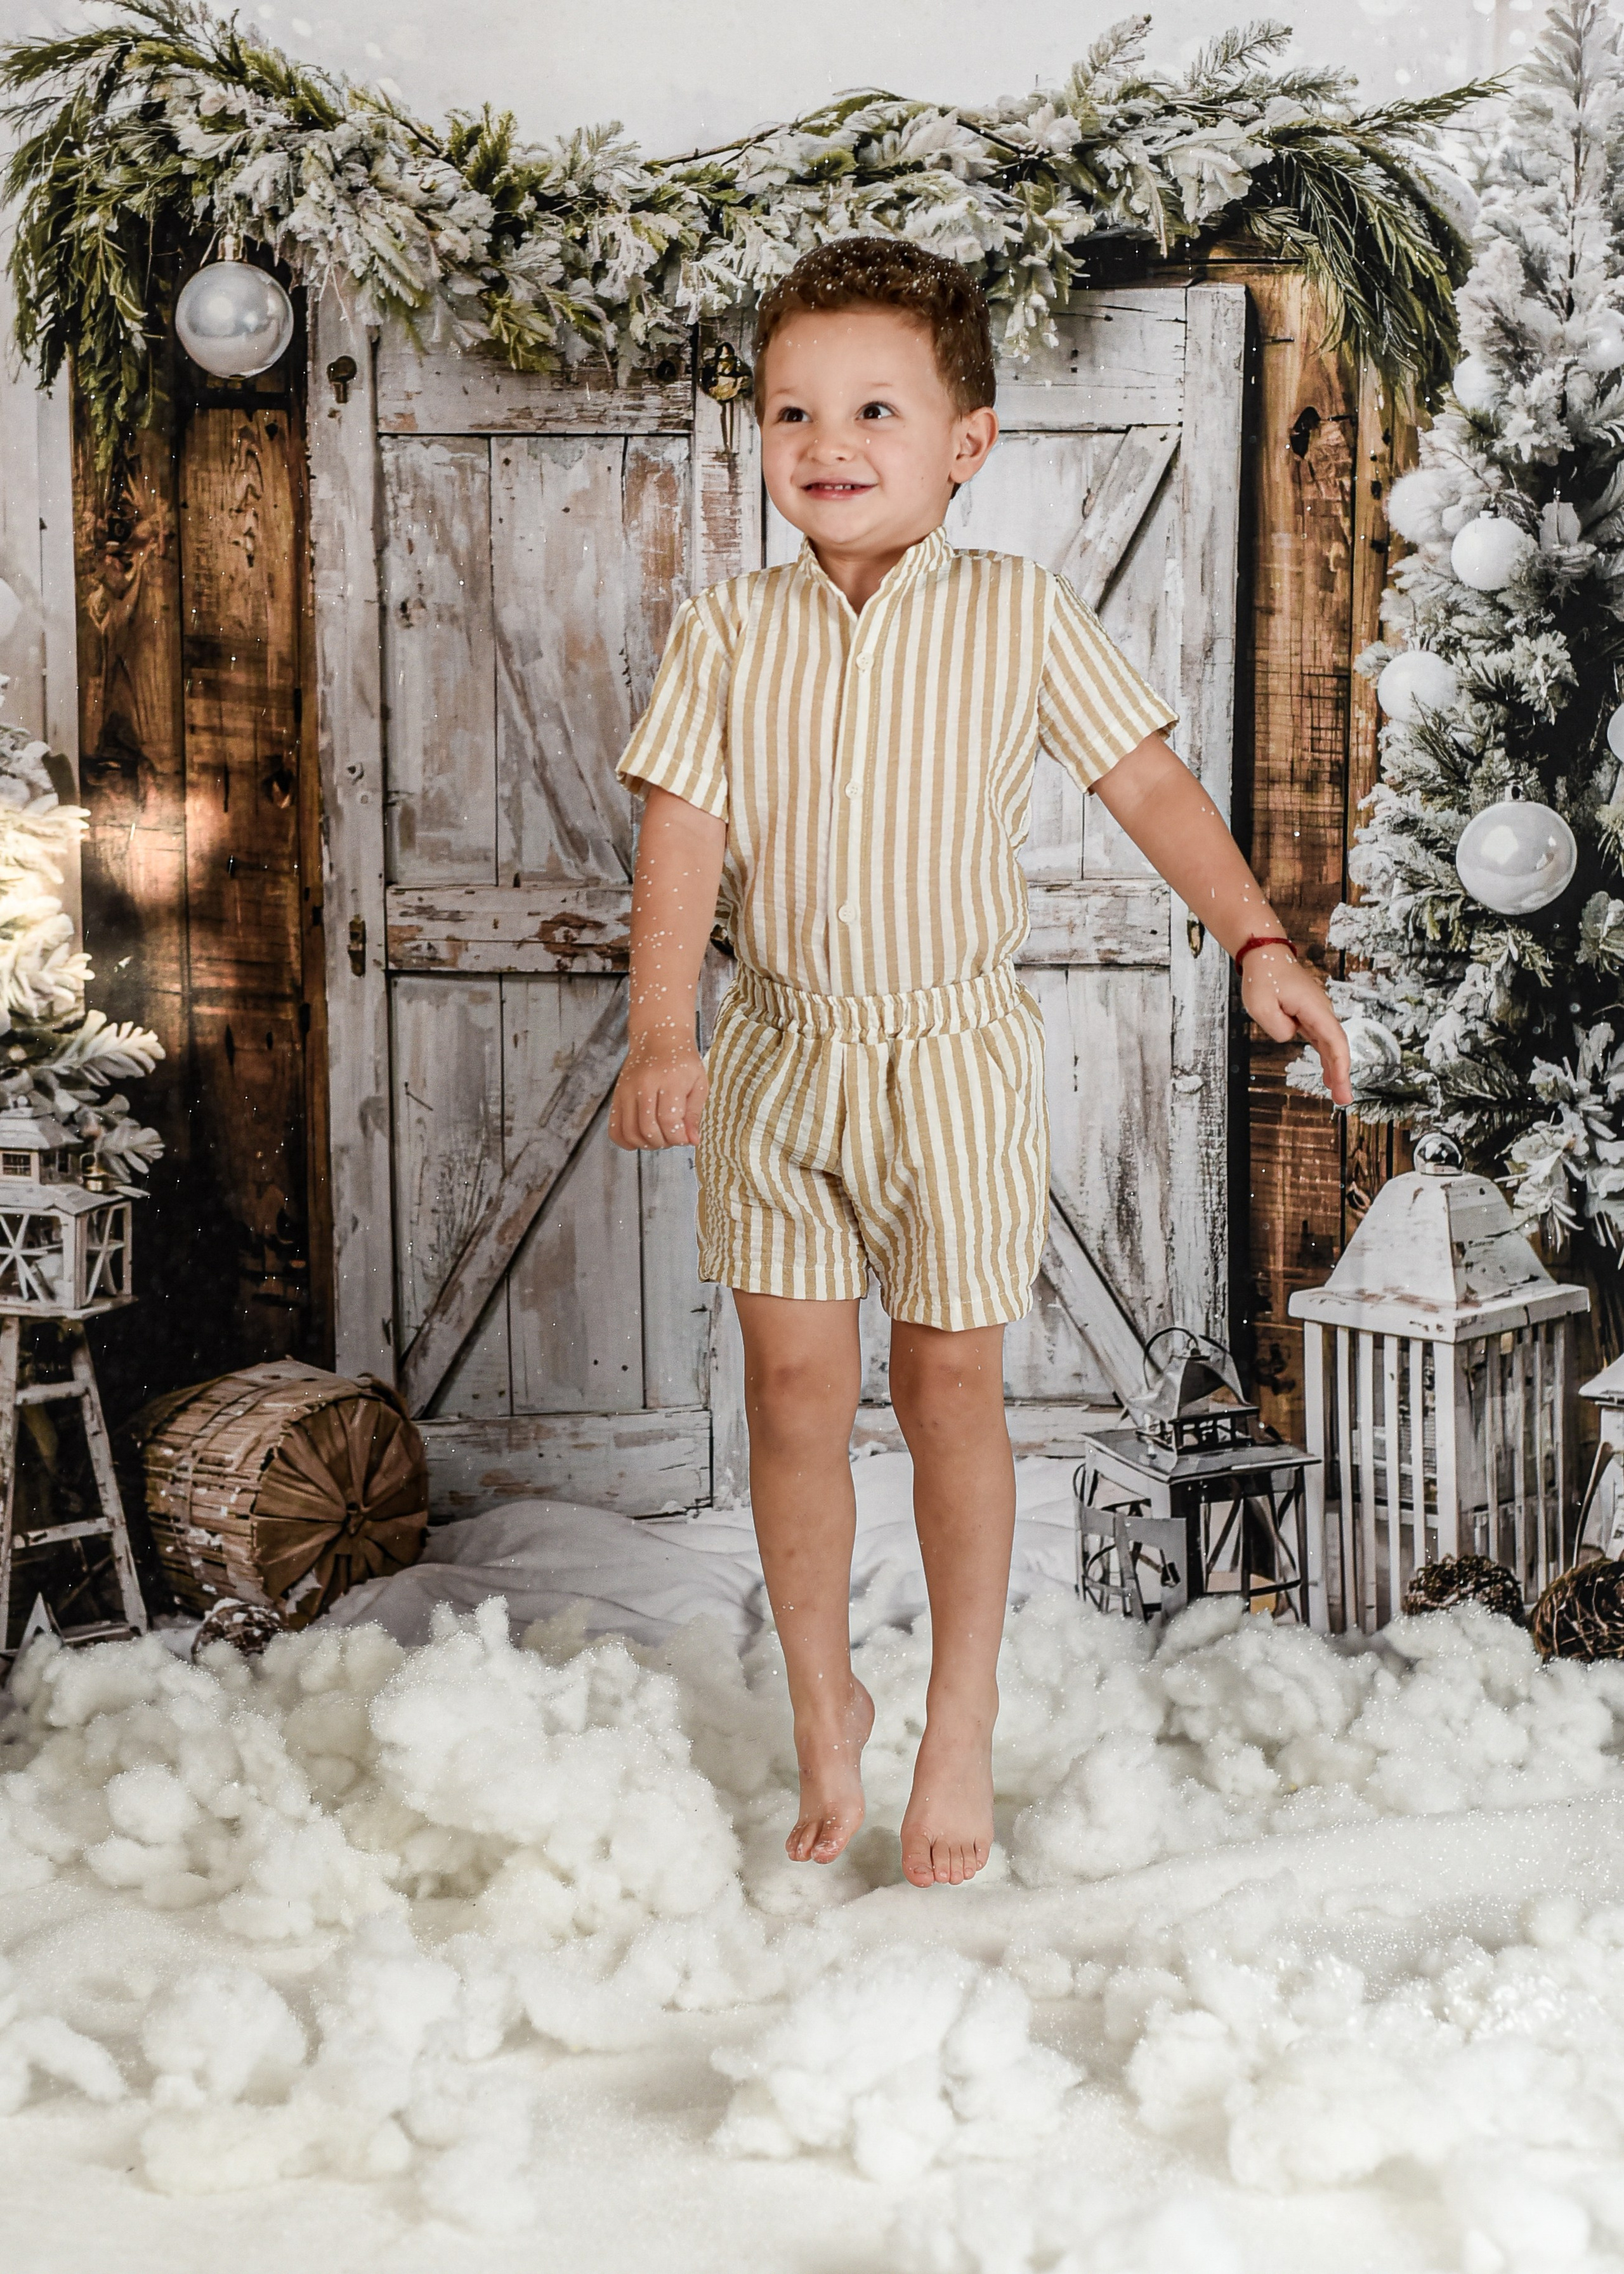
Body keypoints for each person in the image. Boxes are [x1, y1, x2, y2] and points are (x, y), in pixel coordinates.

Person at [609, 237, 1351, 1891]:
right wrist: (668, 1032)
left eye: (875, 405)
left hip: (952, 1061)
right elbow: (681, 839)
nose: (827, 439)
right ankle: (825, 1697)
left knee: (952, 1387)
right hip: (783, 1058)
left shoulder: (1017, 613)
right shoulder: (729, 632)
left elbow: (1151, 788)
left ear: (969, 442)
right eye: (793, 407)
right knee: (791, 1393)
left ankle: (960, 1708)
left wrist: (1259, 943)